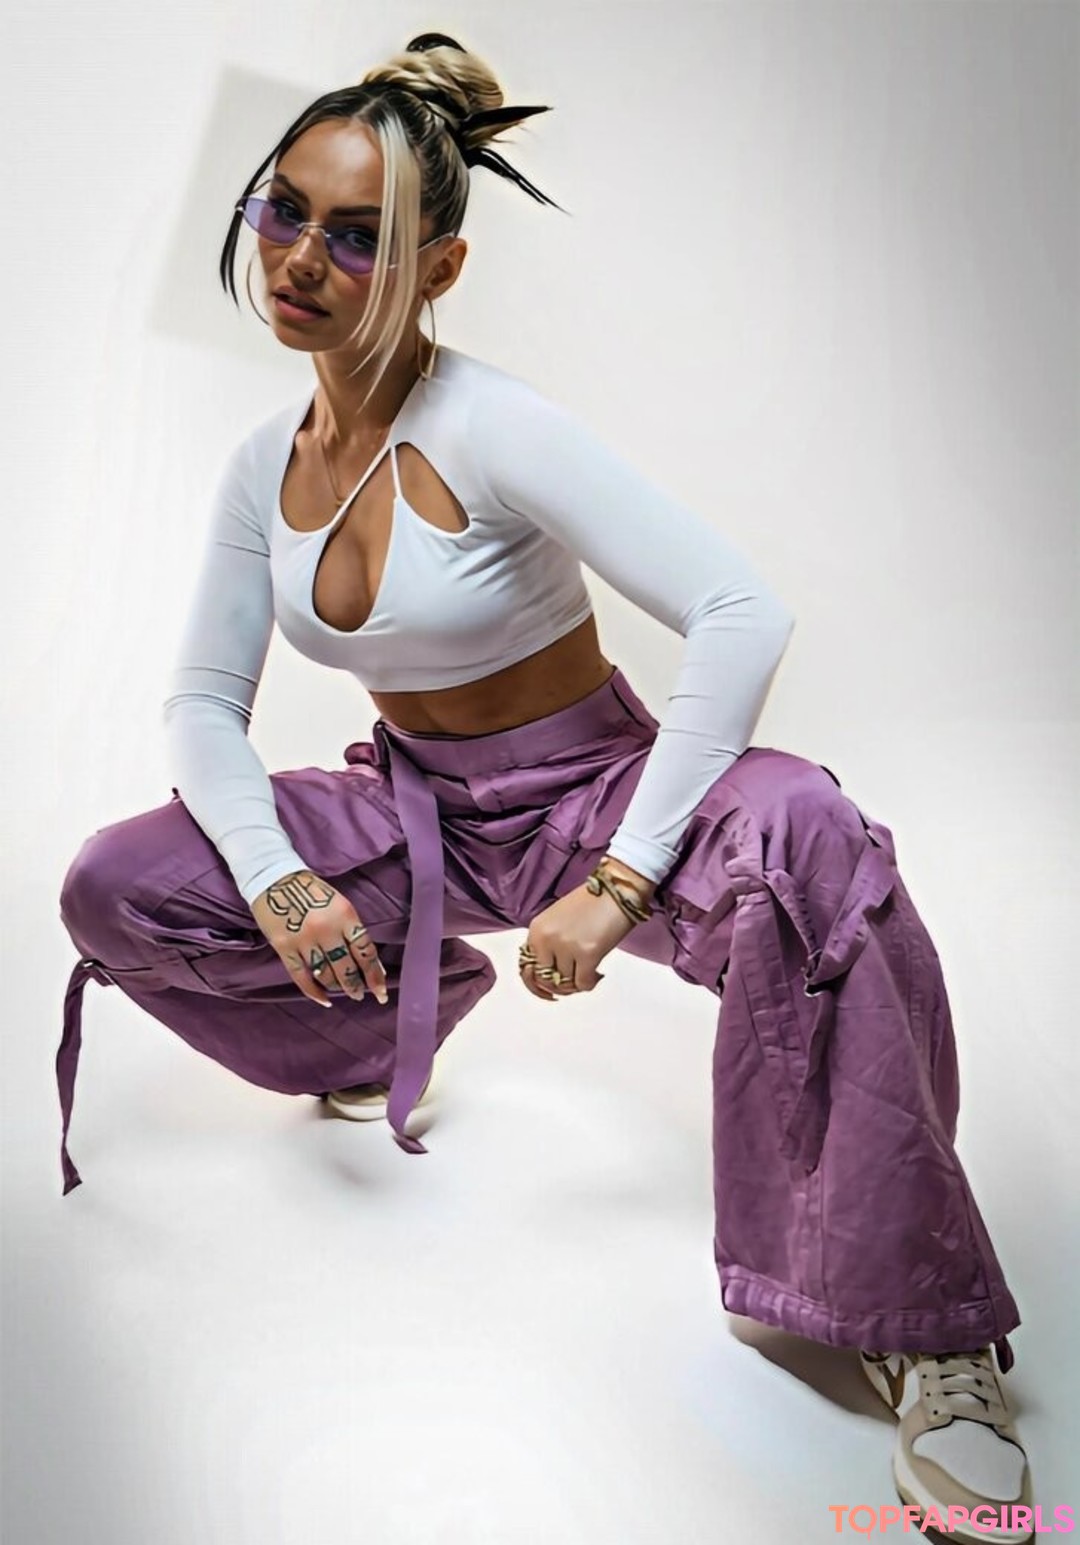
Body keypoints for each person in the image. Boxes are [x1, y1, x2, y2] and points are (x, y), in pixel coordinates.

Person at [56, 32, 1034, 1543]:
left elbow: (740, 611)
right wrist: (284, 879)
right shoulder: (263, 466)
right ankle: (392, 1014)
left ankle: (923, 1320)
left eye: (358, 236)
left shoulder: (490, 423)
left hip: (593, 792)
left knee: (814, 838)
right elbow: (201, 702)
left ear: (437, 270)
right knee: (120, 885)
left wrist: (624, 878)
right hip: (420, 816)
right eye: (284, 210)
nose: (302, 258)